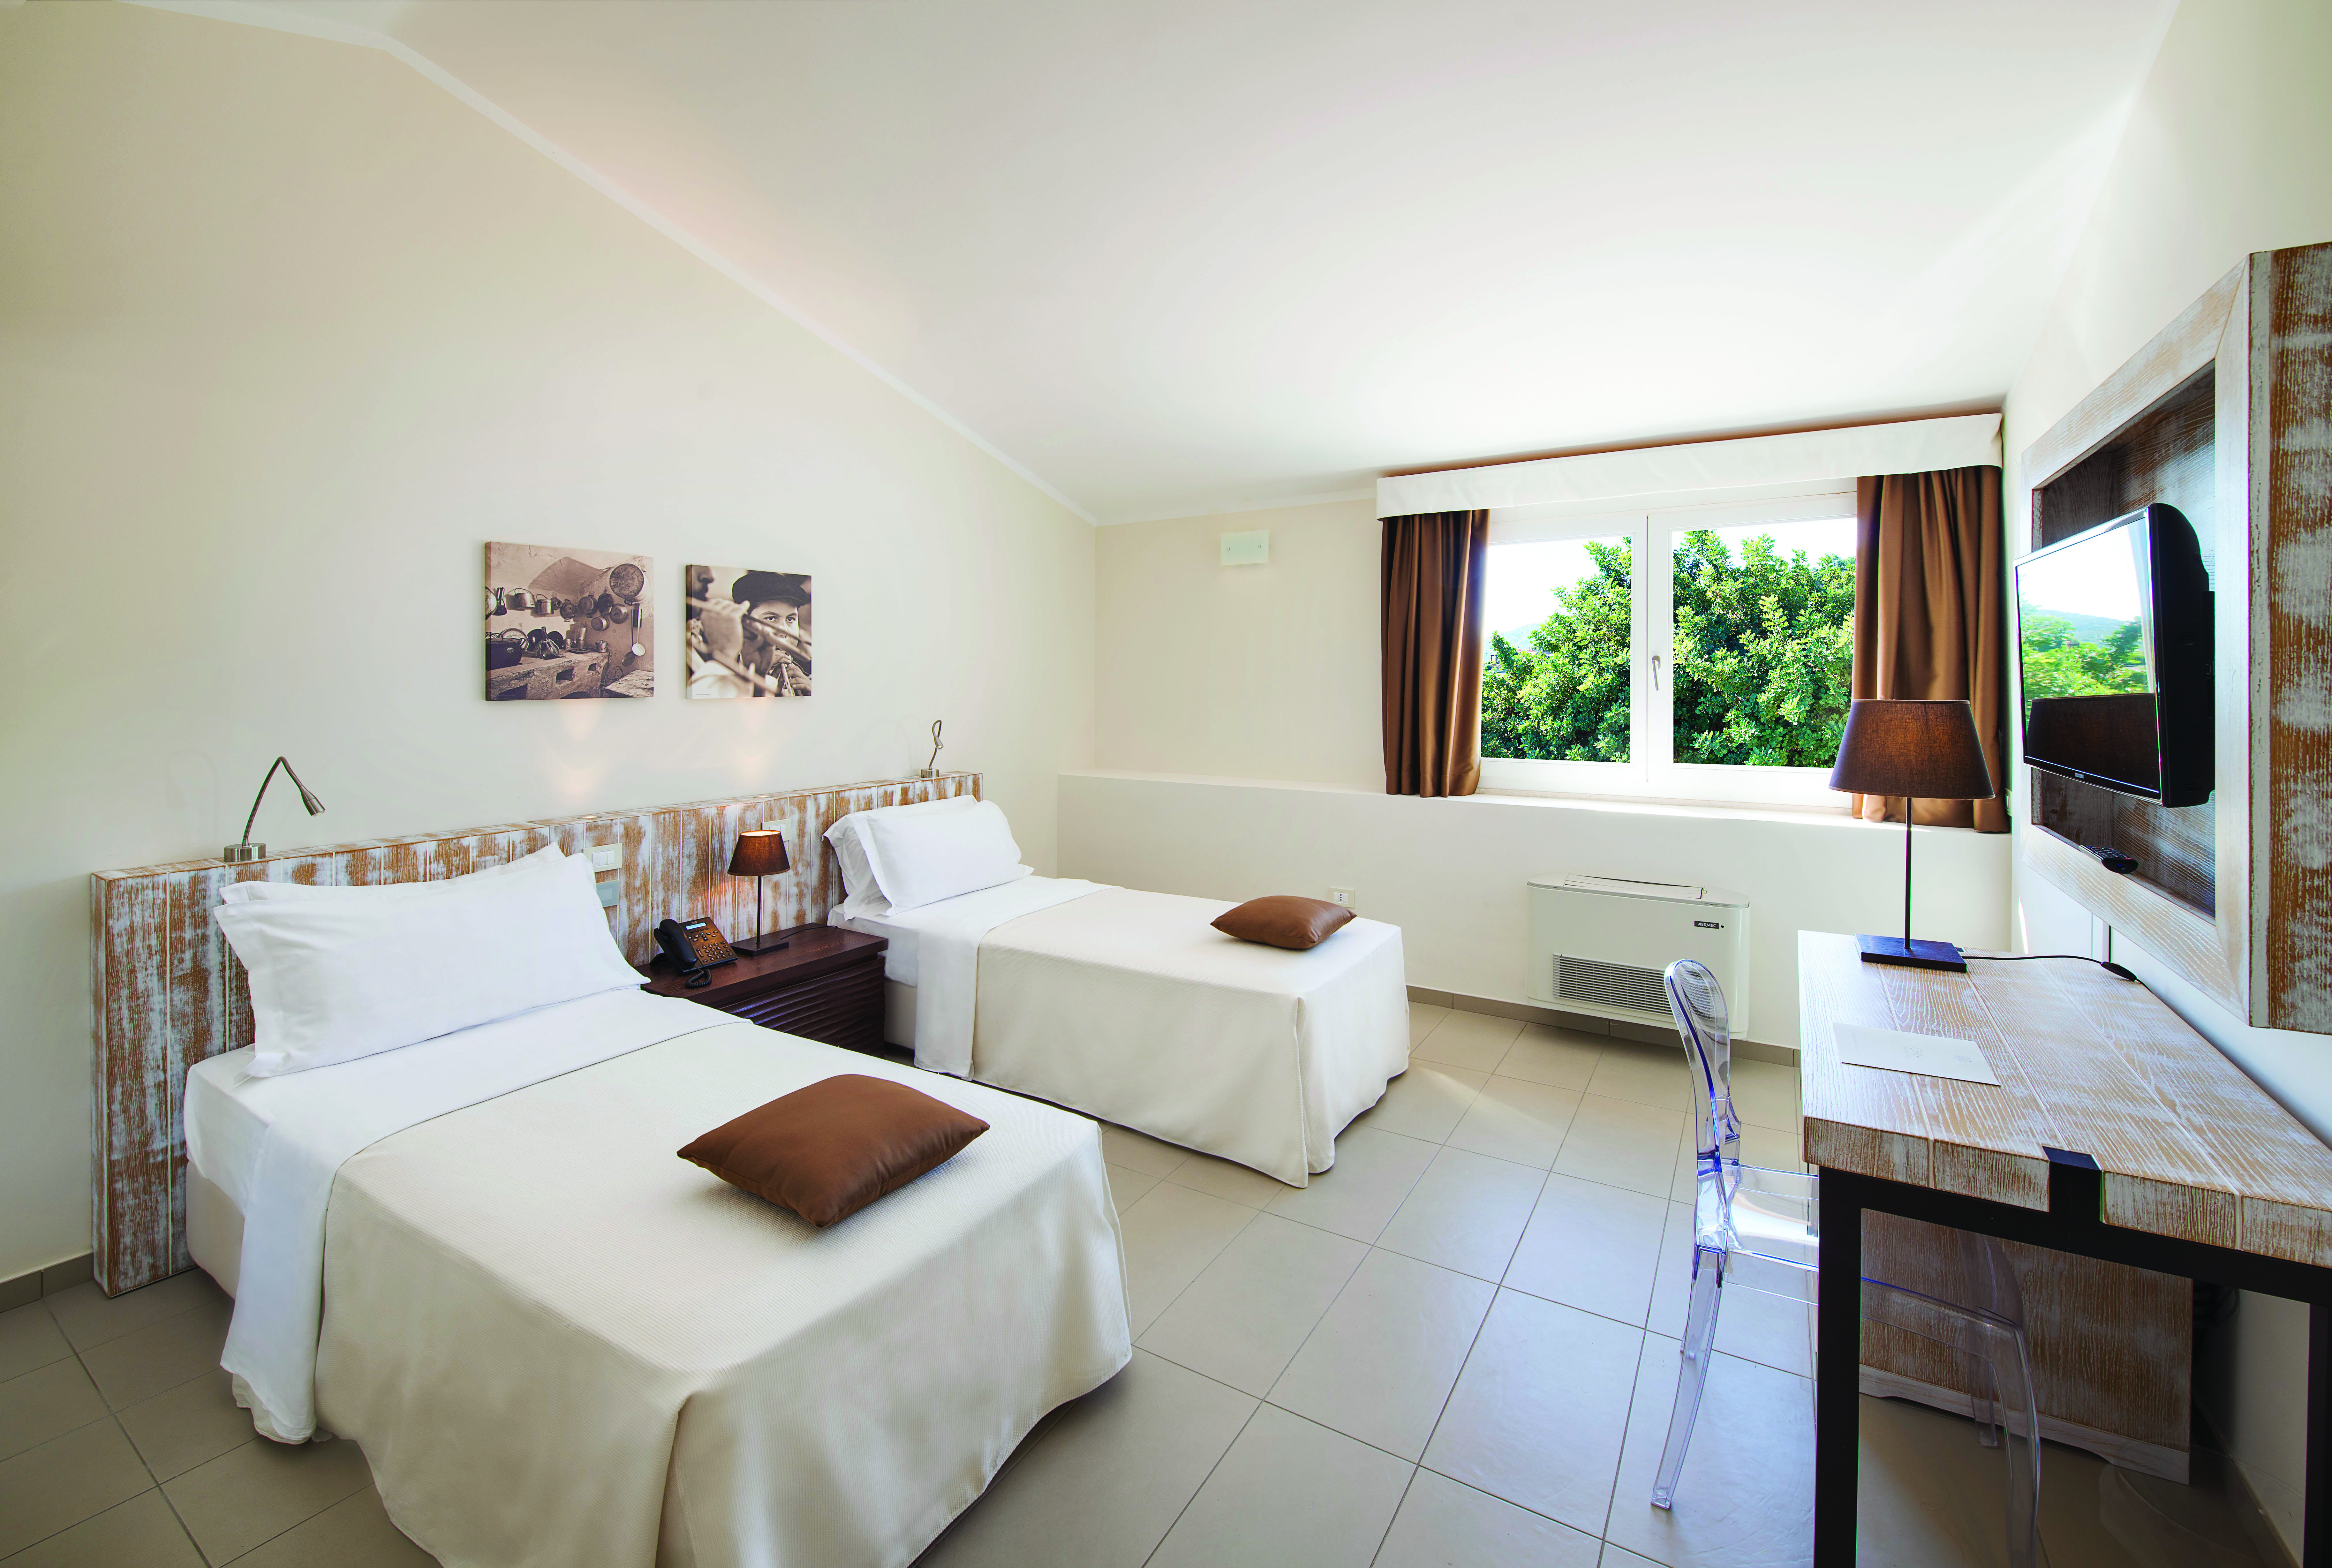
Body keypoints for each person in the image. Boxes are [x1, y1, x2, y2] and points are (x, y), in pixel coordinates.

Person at [688, 569, 811, 698]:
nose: (784, 631)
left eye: (790, 619)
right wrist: (758, 677)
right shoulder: (709, 663)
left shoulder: (809, 670)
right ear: (744, 625)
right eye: (771, 619)